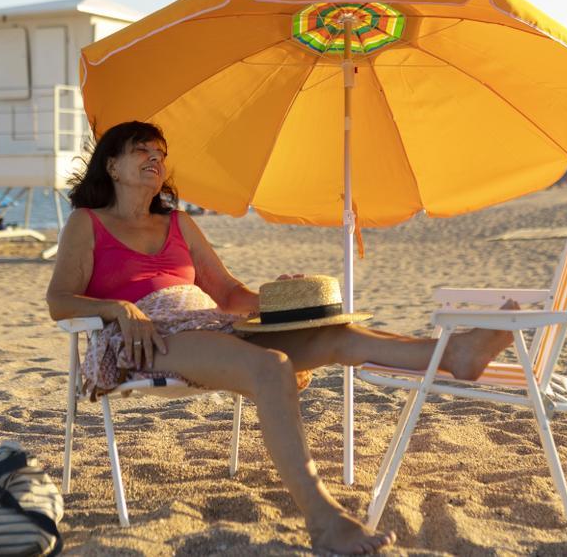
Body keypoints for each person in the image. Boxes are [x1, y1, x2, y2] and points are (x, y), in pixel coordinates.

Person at [46, 122, 518, 555]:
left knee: (336, 333)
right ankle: (323, 519)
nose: (155, 158)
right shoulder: (87, 223)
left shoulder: (179, 223)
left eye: (160, 152)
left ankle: (454, 353)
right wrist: (117, 307)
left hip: (210, 324)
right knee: (271, 365)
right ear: (112, 165)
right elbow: (60, 300)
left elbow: (228, 292)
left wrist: (278, 299)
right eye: (141, 150)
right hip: (146, 339)